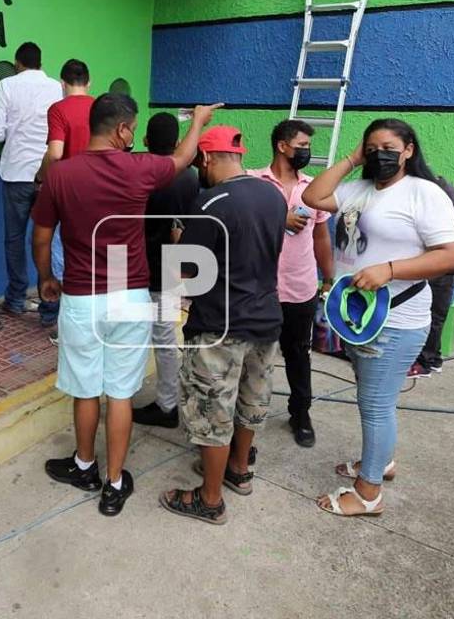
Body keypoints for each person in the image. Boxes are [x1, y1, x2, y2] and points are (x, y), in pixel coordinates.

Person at [32, 95, 218, 516]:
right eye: (132, 128)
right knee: (119, 393)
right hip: (128, 290)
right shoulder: (140, 168)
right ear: (121, 129)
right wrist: (199, 122)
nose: (133, 136)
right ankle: (114, 483)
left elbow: (41, 236)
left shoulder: (60, 174)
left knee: (84, 388)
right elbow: (184, 158)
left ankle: (84, 466)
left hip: (81, 294)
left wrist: (45, 277)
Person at [303, 118, 454, 517]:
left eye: (388, 147)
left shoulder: (424, 194)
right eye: (372, 148)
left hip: (395, 319)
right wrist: (353, 158)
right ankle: (380, 463)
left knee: (375, 404)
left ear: (408, 149)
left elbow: (449, 256)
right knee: (374, 398)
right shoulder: (358, 188)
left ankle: (368, 492)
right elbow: (313, 196)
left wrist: (388, 270)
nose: (380, 154)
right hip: (358, 315)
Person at [158, 126, 287, 525]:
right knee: (251, 399)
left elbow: (188, 275)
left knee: (213, 410)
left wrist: (177, 241)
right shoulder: (273, 194)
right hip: (265, 317)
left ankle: (209, 499)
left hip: (220, 324)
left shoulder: (210, 203)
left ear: (208, 158)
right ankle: (238, 470)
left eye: (200, 160)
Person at [247, 119, 334, 447]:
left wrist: (328, 277)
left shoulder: (313, 189)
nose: (307, 152)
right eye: (302, 145)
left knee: (298, 354)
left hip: (300, 289)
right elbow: (241, 225)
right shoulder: (254, 183)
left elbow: (322, 238)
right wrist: (276, 219)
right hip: (259, 288)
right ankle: (249, 417)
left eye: (308, 146)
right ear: (282, 146)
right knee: (255, 357)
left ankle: (301, 413)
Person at [0, 41, 63, 326]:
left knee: (15, 238)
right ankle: (49, 306)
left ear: (18, 63)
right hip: (48, 173)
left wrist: (12, 129)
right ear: (40, 63)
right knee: (48, 240)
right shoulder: (56, 87)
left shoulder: (7, 85)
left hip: (16, 172)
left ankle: (16, 298)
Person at [132, 112, 200, 429]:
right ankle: (168, 402)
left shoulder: (134, 170)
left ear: (145, 140)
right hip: (170, 264)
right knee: (164, 336)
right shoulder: (190, 176)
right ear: (176, 143)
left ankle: (129, 395)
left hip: (128, 260)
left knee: (128, 332)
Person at [411, 175, 454, 377]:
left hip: (442, 267)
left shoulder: (445, 193)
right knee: (432, 315)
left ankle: (426, 362)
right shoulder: (433, 190)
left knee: (433, 316)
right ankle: (433, 358)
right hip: (434, 264)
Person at [37, 58, 95, 181]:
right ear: (89, 82)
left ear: (62, 84)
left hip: (68, 182)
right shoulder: (101, 107)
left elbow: (55, 154)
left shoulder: (57, 109)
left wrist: (40, 177)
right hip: (98, 181)